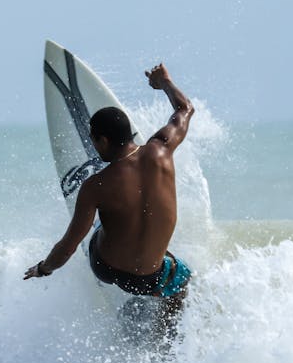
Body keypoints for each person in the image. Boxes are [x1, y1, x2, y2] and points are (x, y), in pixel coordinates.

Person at [24, 62, 195, 324]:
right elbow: (185, 109)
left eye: (93, 140)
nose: (93, 144)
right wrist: (164, 83)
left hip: (106, 268)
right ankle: (163, 341)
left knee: (97, 227)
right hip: (150, 277)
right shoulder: (162, 148)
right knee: (181, 282)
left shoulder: (95, 186)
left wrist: (43, 269)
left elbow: (68, 246)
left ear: (102, 141)